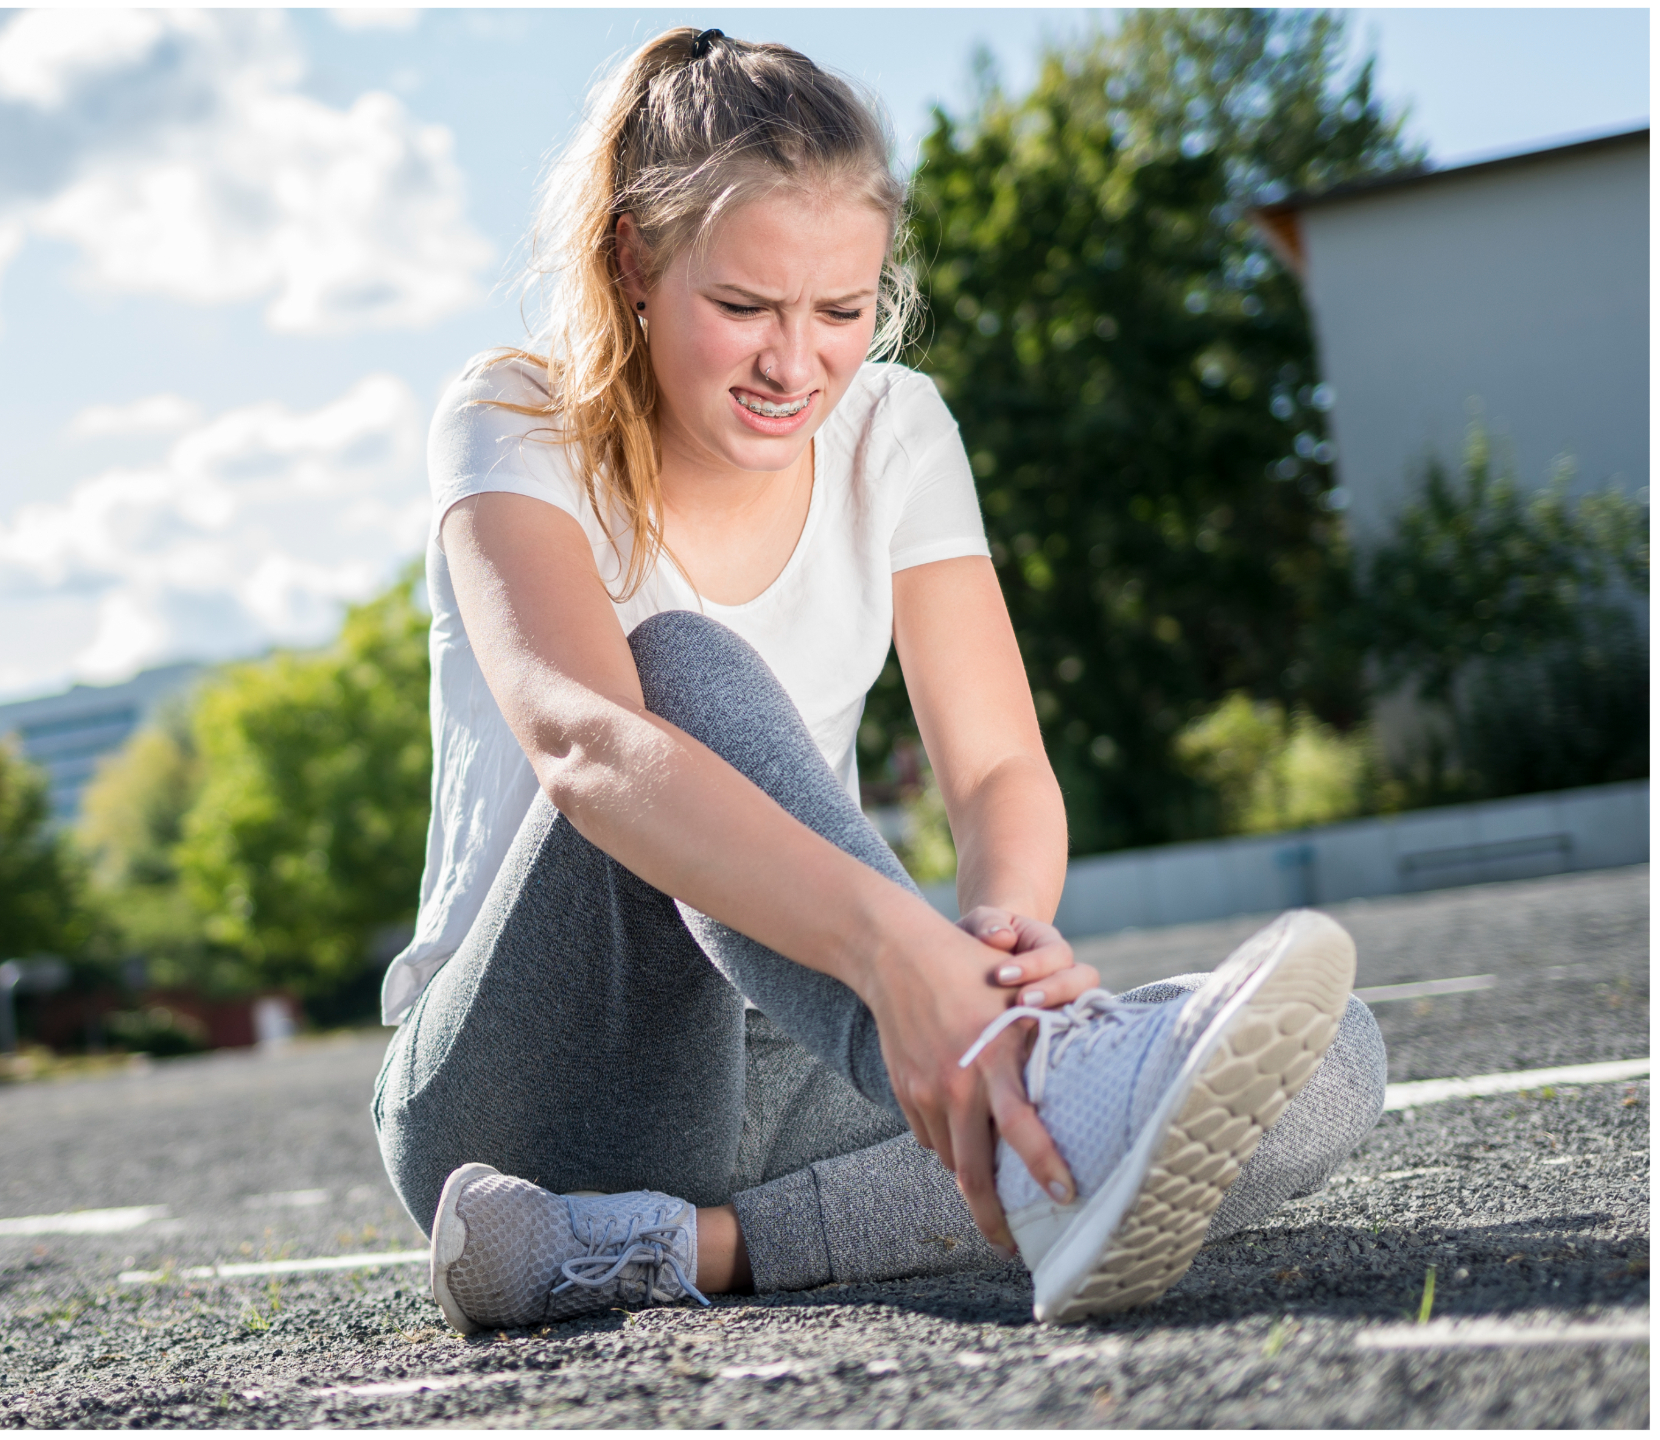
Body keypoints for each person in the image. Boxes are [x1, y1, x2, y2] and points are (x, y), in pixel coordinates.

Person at [372, 26, 1386, 1330]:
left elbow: (1001, 768)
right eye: (743, 307)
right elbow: (581, 740)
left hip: (811, 1046)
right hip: (525, 1084)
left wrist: (1000, 948)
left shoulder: (898, 431)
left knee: (1329, 1060)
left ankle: (674, 1249)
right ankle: (1004, 1095)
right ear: (635, 258)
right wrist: (904, 957)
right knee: (674, 667)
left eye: (840, 312)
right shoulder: (514, 416)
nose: (795, 365)